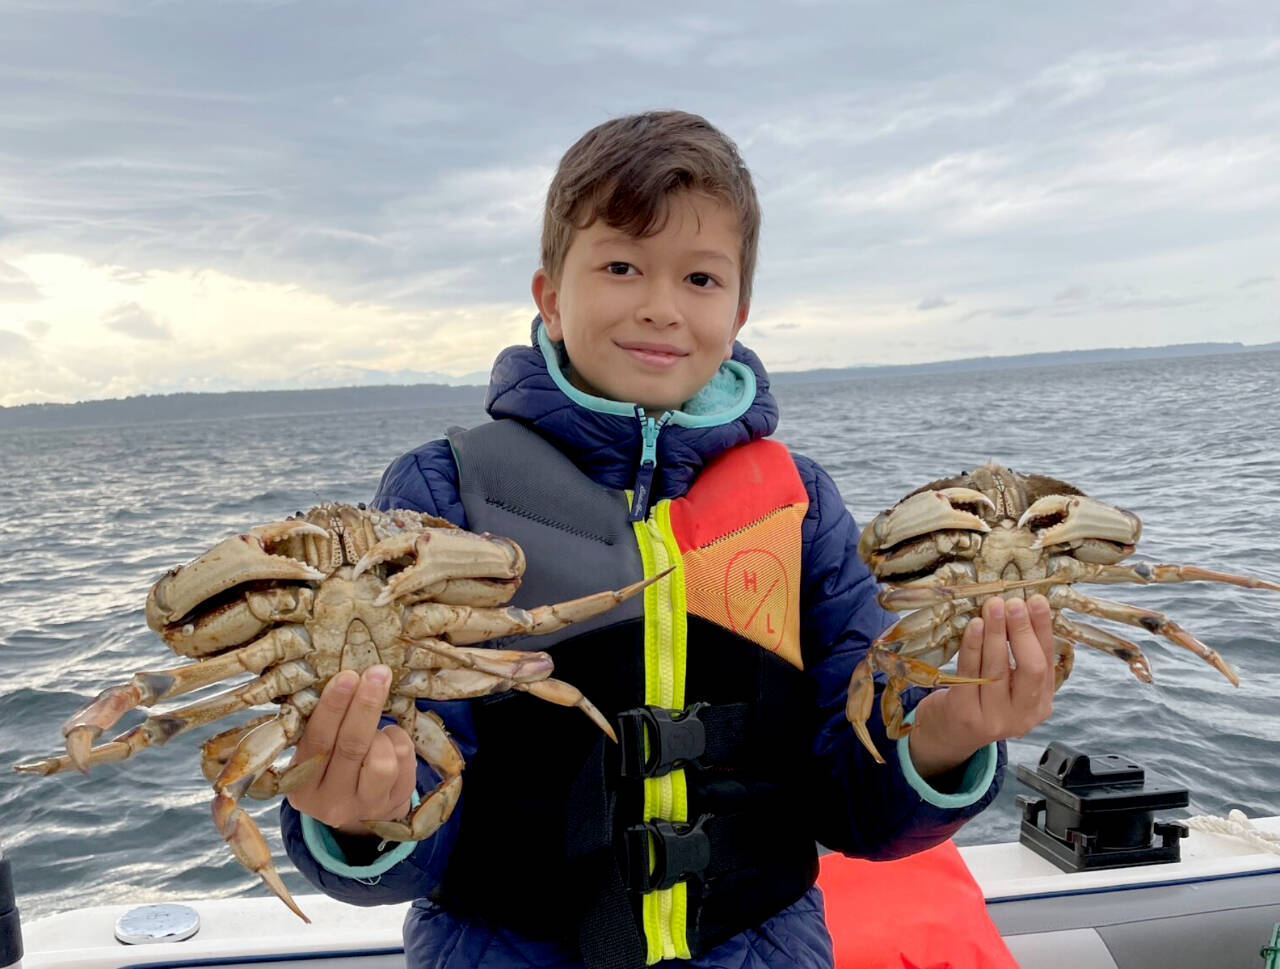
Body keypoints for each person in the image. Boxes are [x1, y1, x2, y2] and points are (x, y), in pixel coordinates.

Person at [279, 110, 1056, 969]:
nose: (660, 307)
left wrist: (944, 739)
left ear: (740, 308)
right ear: (549, 294)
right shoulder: (442, 492)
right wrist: (361, 813)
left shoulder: (800, 505)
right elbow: (411, 792)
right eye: (620, 266)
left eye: (699, 278)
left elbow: (854, 803)